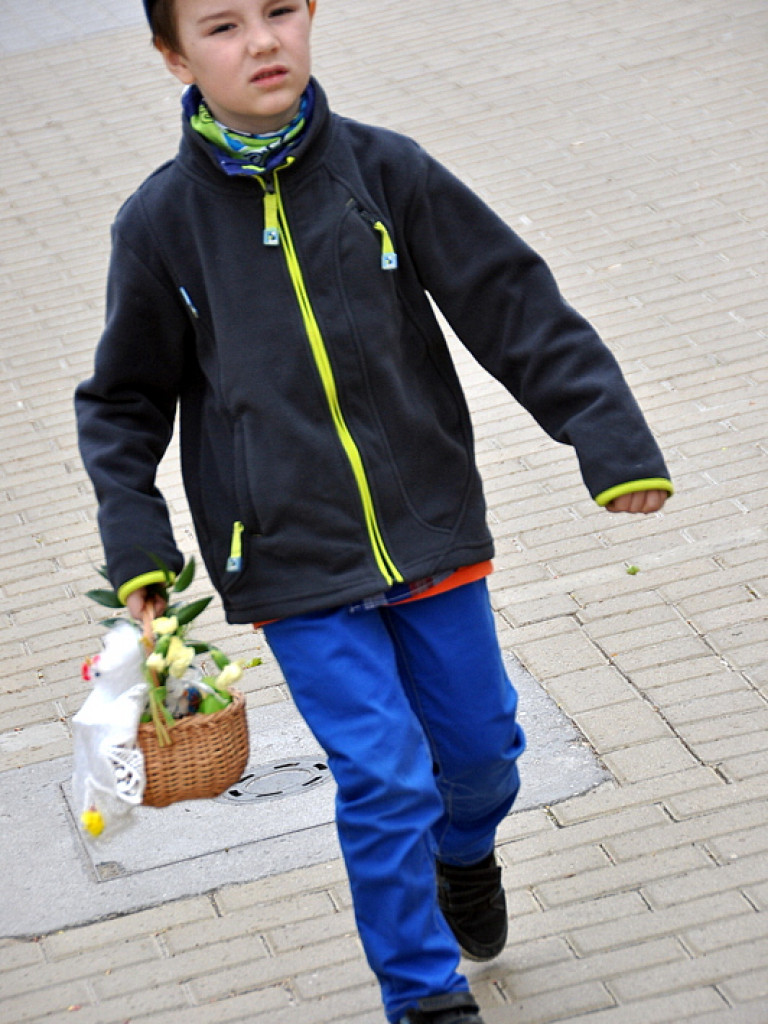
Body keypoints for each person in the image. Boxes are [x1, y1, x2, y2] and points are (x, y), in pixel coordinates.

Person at [75, 1, 673, 1021]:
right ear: (172, 56)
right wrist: (140, 545)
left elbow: (511, 299)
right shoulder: (161, 223)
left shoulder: (384, 171)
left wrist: (607, 437)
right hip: (289, 559)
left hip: (430, 527)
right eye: (221, 25)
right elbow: (123, 402)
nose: (261, 42)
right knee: (387, 779)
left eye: (278, 11)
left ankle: (466, 854)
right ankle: (424, 994)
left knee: (481, 757)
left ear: (308, 17)